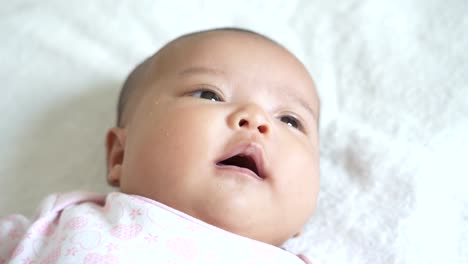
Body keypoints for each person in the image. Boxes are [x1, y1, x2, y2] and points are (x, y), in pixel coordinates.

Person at [0, 27, 320, 263]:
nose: (255, 118)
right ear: (120, 155)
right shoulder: (60, 226)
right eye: (209, 94)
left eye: (290, 120)